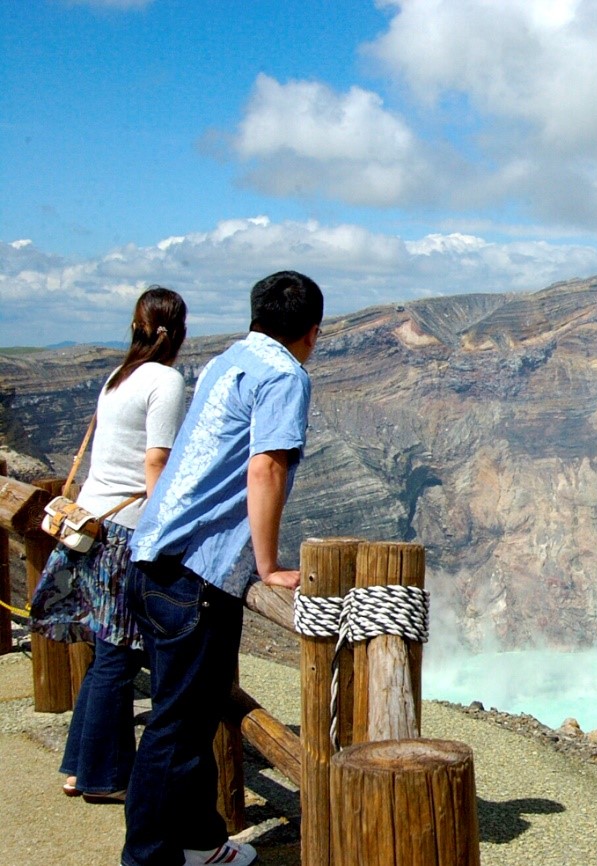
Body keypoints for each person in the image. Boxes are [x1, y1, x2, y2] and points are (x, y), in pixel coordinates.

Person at [121, 271, 322, 866]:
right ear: (312, 331)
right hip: (198, 572)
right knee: (178, 730)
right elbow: (266, 468)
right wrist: (267, 564)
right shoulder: (285, 374)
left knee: (191, 715)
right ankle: (149, 858)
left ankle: (202, 843)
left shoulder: (223, 361)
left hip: (155, 554)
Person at [30, 287, 188, 804]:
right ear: (178, 331)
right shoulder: (165, 380)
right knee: (118, 657)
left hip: (94, 524)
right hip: (127, 531)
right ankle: (100, 776)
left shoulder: (117, 378)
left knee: (105, 655)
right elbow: (155, 465)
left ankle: (81, 767)